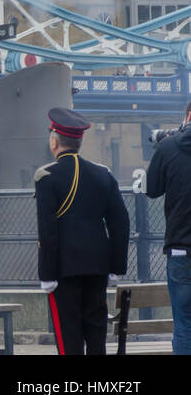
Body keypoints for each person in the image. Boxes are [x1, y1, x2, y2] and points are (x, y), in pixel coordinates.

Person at [35, 107, 130, 355]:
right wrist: (116, 267)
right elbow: (120, 221)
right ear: (80, 140)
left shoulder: (47, 176)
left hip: (63, 270)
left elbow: (47, 229)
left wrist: (46, 274)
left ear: (54, 141)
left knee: (69, 339)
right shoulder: (103, 174)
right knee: (96, 335)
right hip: (98, 267)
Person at [144, 101, 191, 355]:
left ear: (188, 115)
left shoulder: (168, 147)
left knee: (184, 324)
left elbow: (152, 190)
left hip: (181, 251)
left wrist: (164, 147)